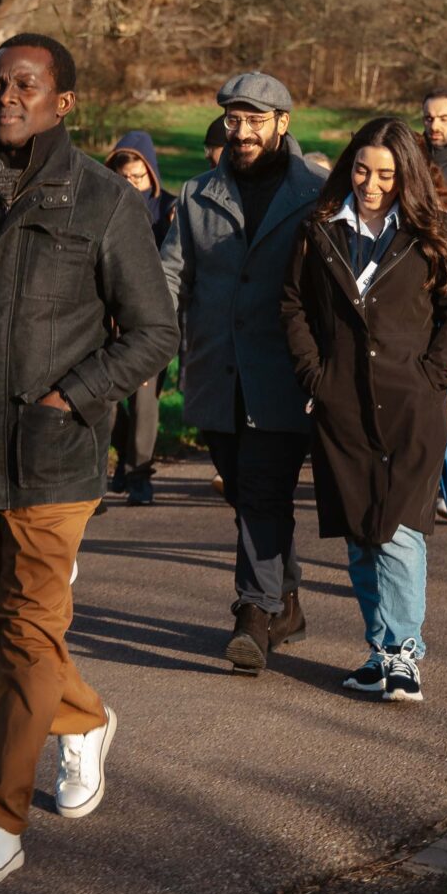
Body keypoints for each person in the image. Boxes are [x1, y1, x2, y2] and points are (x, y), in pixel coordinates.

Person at [0, 33, 177, 886]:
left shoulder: (103, 202)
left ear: (62, 103)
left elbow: (154, 332)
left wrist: (71, 398)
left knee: (23, 629)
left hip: (55, 462)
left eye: (27, 84)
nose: (8, 95)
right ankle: (83, 719)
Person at [281, 118, 447, 703]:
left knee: (398, 530)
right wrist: (315, 375)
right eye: (363, 170)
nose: (371, 184)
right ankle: (379, 649)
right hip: (340, 403)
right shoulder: (318, 229)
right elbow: (292, 306)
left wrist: (433, 376)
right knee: (360, 535)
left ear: (406, 176)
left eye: (387, 175)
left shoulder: (436, 231)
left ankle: (403, 653)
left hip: (412, 402)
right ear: (349, 166)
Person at [159, 71, 327, 675]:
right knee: (244, 492)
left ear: (284, 123)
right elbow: (172, 275)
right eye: (234, 119)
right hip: (215, 373)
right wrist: (153, 334)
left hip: (283, 374)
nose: (243, 131)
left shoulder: (317, 193)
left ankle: (251, 616)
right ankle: (288, 604)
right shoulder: (197, 193)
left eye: (256, 120)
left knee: (263, 489)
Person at [105, 132, 175, 506]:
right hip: (108, 324)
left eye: (138, 177)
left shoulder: (169, 211)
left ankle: (139, 475)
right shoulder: (102, 208)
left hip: (152, 324)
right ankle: (124, 461)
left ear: (152, 175)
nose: (131, 185)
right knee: (109, 402)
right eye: (124, 178)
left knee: (145, 399)